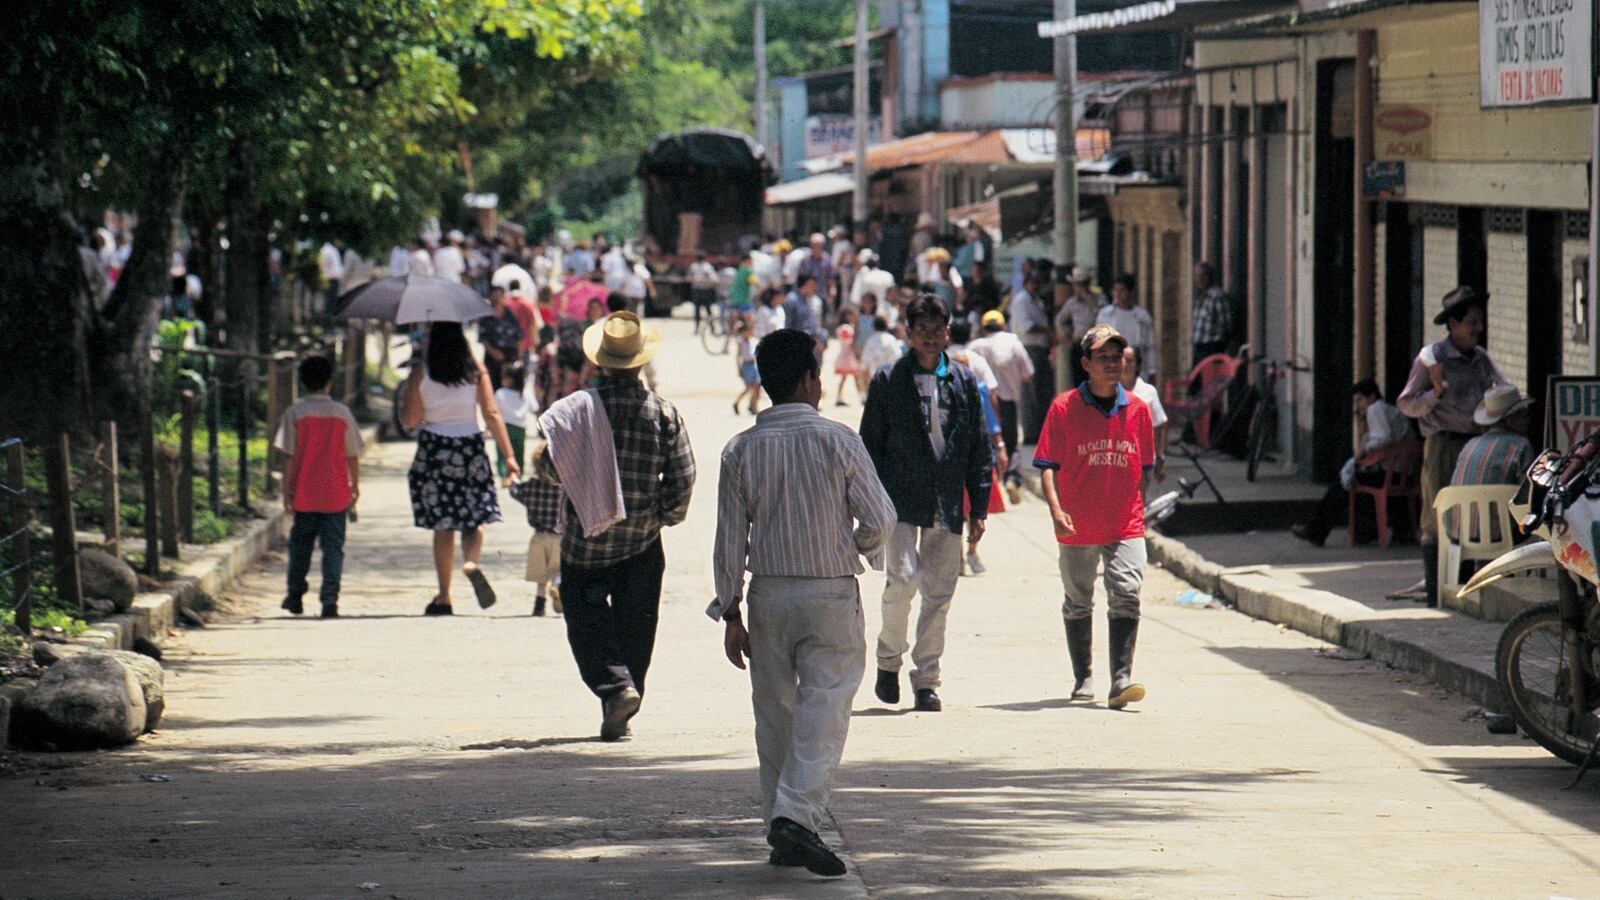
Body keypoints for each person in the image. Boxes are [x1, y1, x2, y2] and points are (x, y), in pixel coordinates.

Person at [711, 328, 896, 878]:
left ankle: (781, 826)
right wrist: (855, 546)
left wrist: (730, 611)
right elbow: (882, 519)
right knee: (825, 706)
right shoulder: (839, 440)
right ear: (811, 380)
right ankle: (795, 817)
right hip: (830, 591)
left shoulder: (740, 449)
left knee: (774, 715)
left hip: (767, 594)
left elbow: (728, 542)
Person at [529, 311, 696, 741]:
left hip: (586, 544)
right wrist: (663, 517)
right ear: (640, 363)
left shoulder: (578, 411)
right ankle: (627, 691)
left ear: (600, 362)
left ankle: (614, 689)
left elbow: (551, 469)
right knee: (637, 622)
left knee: (585, 620)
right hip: (641, 544)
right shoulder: (663, 414)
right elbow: (683, 479)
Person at [859, 294, 994, 713]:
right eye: (922, 330)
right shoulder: (887, 380)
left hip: (947, 499)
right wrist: (867, 503)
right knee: (901, 580)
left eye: (938, 329)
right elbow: (870, 445)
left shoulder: (963, 381)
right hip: (898, 498)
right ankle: (887, 659)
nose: (931, 337)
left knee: (939, 592)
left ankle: (926, 680)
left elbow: (977, 445)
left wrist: (981, 505)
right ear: (908, 333)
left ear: (948, 333)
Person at [1035, 325, 1154, 708]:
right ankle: (1083, 674)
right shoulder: (1064, 407)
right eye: (1102, 358)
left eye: (1117, 358)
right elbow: (1048, 465)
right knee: (1078, 599)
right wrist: (1056, 510)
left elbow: (1146, 466)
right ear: (1085, 363)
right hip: (1077, 521)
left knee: (1127, 593)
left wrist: (1138, 506)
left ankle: (1121, 678)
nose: (1111, 364)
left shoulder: (1137, 409)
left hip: (1125, 523)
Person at [400, 322, 521, 616]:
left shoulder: (422, 370)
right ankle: (471, 562)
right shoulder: (475, 369)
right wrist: (509, 457)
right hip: (469, 446)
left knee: (444, 525)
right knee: (473, 517)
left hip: (435, 449)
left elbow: (411, 420)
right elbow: (491, 413)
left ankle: (444, 596)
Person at [1396, 285, 1503, 607]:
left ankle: (1465, 592)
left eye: (1479, 322)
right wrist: (1437, 392)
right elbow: (1407, 404)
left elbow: (1500, 388)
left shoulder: (1481, 359)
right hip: (1443, 444)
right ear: (1453, 325)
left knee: (1473, 515)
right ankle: (1435, 592)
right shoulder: (1433, 359)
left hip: (1475, 444)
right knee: (1437, 516)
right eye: (1471, 322)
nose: (1477, 329)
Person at [277, 356, 363, 619]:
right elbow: (353, 454)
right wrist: (354, 486)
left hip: (304, 493)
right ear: (329, 382)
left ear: (301, 382)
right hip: (336, 494)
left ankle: (295, 594)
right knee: (333, 548)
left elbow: (288, 456)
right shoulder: (342, 413)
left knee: (300, 546)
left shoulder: (295, 414)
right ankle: (329, 601)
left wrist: (287, 491)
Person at [1291, 380, 1413, 547]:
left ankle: (1317, 530)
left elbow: (1383, 438)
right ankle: (1366, 531)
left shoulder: (1376, 408)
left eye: (1360, 400)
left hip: (1391, 474)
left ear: (1371, 397)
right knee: (1357, 481)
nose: (1358, 406)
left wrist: (1362, 453)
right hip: (1403, 474)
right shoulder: (1389, 411)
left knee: (1340, 486)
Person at [1446, 384, 1534, 546]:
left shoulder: (1471, 444)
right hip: (1500, 534)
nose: (1528, 420)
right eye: (1523, 415)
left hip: (1458, 531)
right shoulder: (1520, 445)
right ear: (1511, 420)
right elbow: (1527, 495)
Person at [968, 310, 1035, 502]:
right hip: (1008, 401)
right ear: (1003, 326)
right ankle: (1012, 478)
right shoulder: (1014, 344)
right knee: (1011, 443)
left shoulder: (975, 347)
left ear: (983, 327)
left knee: (987, 443)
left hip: (982, 402)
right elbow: (1029, 373)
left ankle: (990, 484)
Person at [508, 449, 567, 618]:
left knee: (541, 574)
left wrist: (512, 480)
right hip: (560, 536)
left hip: (539, 537)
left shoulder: (531, 486)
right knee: (557, 569)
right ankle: (557, 586)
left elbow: (515, 492)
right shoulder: (564, 487)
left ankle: (539, 605)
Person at [1008, 271, 1053, 444]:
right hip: (1028, 348)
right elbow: (1028, 327)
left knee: (1042, 394)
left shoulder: (1037, 301)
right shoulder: (1022, 300)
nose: (1035, 286)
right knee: (1029, 394)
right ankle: (1030, 433)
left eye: (1037, 283)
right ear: (1026, 284)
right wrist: (1047, 330)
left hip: (1041, 349)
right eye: (1032, 283)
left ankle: (1040, 431)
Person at [1122, 345, 1169, 483]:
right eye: (1122, 360)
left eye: (1130, 361)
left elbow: (1160, 424)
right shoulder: (1108, 391)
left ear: (1137, 365)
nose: (1125, 365)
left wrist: (1160, 457)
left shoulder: (1148, 392)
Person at [1096, 274, 1155, 382]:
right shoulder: (1105, 315)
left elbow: (1149, 346)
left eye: (1122, 290)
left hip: (1137, 369)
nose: (1117, 294)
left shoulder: (1142, 316)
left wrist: (1152, 370)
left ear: (1131, 292)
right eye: (1115, 290)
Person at [1055, 268, 1102, 389]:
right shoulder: (1072, 303)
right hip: (1079, 343)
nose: (1079, 288)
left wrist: (1089, 300)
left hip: (1096, 343)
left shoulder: (1098, 298)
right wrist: (1067, 339)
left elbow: (1103, 314)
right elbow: (1060, 320)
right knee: (1078, 379)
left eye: (1082, 285)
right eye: (1077, 285)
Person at [479, 285, 525, 387]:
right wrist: (494, 352)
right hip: (493, 359)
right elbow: (483, 339)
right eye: (494, 295)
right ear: (489, 297)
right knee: (493, 387)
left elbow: (519, 337)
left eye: (499, 295)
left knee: (510, 389)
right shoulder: (485, 317)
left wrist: (520, 358)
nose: (496, 298)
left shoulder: (510, 315)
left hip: (510, 358)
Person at [1191, 261, 1235, 364]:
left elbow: (1228, 324)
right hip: (1199, 348)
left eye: (1204, 275)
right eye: (1197, 275)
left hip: (1212, 349)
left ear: (1211, 276)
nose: (1200, 279)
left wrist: (1219, 346)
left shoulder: (1217, 297)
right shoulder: (1200, 297)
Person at [494, 364, 529, 479]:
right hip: (520, 428)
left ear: (510, 380)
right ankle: (518, 474)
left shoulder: (500, 393)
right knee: (518, 453)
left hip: (503, 427)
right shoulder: (524, 393)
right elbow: (535, 407)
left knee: (502, 452)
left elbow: (494, 410)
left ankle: (505, 475)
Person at [784, 274, 826, 362]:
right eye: (812, 285)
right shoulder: (791, 300)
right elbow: (788, 323)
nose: (815, 288)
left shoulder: (808, 299)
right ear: (806, 285)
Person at [858, 316, 903, 397]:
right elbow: (898, 355)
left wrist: (864, 369)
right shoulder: (891, 339)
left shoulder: (871, 340)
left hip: (874, 374)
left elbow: (865, 358)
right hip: (889, 375)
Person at [797, 233, 837, 312]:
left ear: (822, 246)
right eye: (812, 245)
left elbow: (830, 276)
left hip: (822, 292)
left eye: (817, 246)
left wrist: (832, 288)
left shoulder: (827, 259)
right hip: (808, 295)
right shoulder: (805, 260)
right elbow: (801, 278)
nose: (814, 248)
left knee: (823, 314)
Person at [833, 306, 861, 407]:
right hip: (847, 356)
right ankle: (862, 396)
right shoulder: (846, 328)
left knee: (853, 377)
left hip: (848, 355)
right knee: (851, 377)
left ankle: (861, 396)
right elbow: (847, 341)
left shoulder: (848, 327)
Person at [733, 318, 762, 415]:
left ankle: (753, 406)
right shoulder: (741, 342)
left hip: (754, 365)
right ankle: (738, 403)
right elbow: (738, 356)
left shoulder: (753, 340)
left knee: (757, 387)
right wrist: (739, 369)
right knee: (749, 387)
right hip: (746, 365)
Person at [688, 252, 718, 329]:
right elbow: (714, 279)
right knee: (705, 310)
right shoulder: (707, 266)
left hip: (699, 289)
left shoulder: (694, 266)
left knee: (701, 310)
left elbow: (689, 278)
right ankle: (710, 328)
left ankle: (701, 328)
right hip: (704, 289)